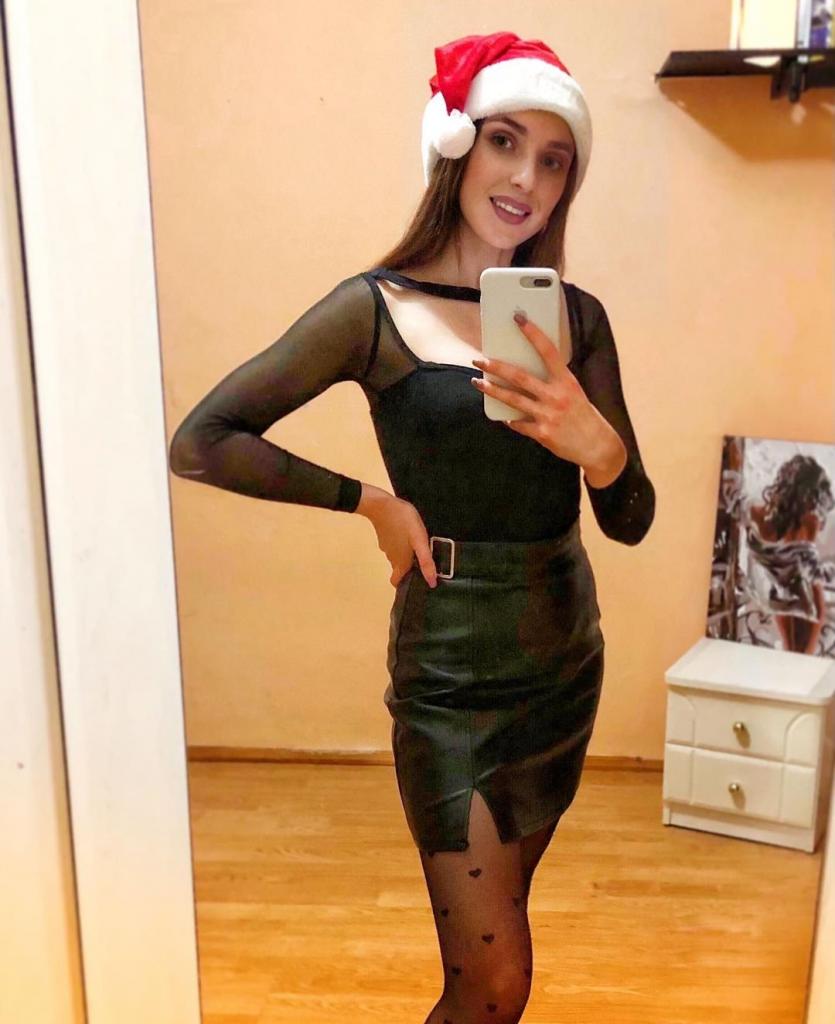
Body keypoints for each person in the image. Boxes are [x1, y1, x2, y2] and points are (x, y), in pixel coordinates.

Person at [169, 30, 656, 1024]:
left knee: (490, 961)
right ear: (456, 147)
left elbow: (631, 517)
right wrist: (372, 503)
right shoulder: (374, 310)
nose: (524, 179)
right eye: (503, 142)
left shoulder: (579, 320)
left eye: (552, 160)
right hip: (449, 670)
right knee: (495, 982)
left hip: (563, 654)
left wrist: (597, 447)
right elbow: (204, 440)